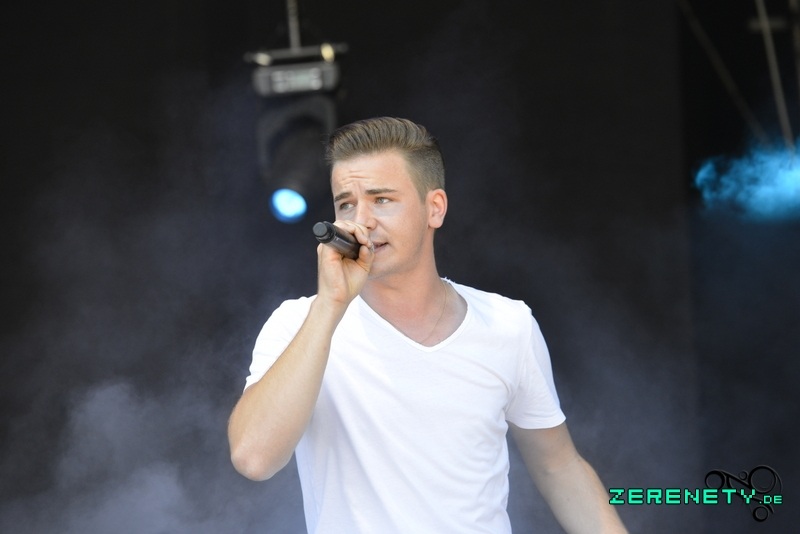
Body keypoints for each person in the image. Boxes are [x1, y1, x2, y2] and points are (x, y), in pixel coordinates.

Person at [228, 117, 627, 533]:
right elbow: (254, 458)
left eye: (382, 200)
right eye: (346, 204)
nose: (361, 220)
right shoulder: (299, 323)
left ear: (434, 207)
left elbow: (559, 467)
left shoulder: (508, 325)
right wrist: (330, 306)